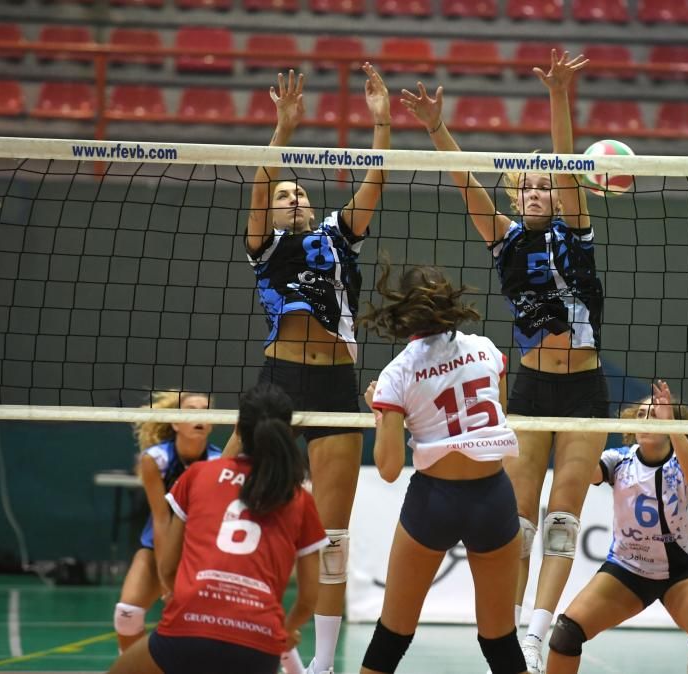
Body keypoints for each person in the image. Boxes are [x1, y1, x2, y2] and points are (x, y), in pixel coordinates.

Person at [401, 50, 607, 674]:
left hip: (584, 389)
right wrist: (438, 128)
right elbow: (465, 180)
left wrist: (560, 98)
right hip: (532, 388)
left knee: (565, 515)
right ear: (518, 194)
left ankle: (541, 632)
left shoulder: (575, 231)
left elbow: (568, 165)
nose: (541, 190)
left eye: (549, 184)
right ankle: (509, 636)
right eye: (531, 185)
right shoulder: (506, 238)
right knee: (516, 519)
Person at [224, 65, 390, 674]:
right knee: (232, 495)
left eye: (300, 193)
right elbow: (261, 184)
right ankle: (219, 616)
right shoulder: (264, 245)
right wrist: (283, 127)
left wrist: (382, 121)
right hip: (276, 384)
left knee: (333, 535)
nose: (291, 198)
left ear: (314, 205)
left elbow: (375, 180)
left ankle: (320, 663)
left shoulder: (338, 238)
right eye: (284, 195)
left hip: (334, 383)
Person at [357, 262, 526, 674]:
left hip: (435, 502)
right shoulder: (487, 350)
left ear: (404, 309)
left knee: (392, 634)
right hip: (493, 499)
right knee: (500, 640)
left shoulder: (397, 374)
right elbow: (498, 408)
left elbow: (389, 468)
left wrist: (382, 412)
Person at [109, 383, 327, 674]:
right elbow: (309, 598)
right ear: (288, 432)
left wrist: (185, 601)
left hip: (188, 631)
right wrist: (285, 631)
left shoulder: (200, 474)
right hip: (258, 644)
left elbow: (170, 568)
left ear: (236, 427)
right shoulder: (300, 498)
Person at [547, 380, 688, 674]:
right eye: (642, 415)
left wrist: (671, 425)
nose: (647, 421)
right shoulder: (620, 460)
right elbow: (587, 472)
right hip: (628, 570)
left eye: (656, 416)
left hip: (682, 572)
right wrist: (565, 428)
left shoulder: (686, 463)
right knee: (566, 634)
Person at [113, 390, 220, 653]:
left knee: (208, 628)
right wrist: (165, 580)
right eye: (192, 410)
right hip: (157, 546)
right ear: (175, 422)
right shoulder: (155, 460)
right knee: (127, 614)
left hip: (201, 554)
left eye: (205, 410)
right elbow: (161, 521)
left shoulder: (219, 463)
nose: (200, 416)